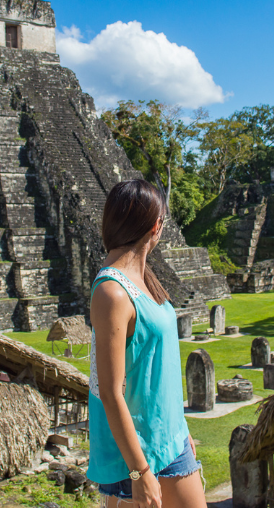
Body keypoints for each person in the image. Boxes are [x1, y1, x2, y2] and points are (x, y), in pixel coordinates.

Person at [87, 180, 207, 508]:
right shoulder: (112, 292)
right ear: (156, 226)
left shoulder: (143, 279)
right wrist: (139, 472)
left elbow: (158, 365)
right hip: (137, 453)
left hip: (169, 439)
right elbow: (110, 393)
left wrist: (181, 429)